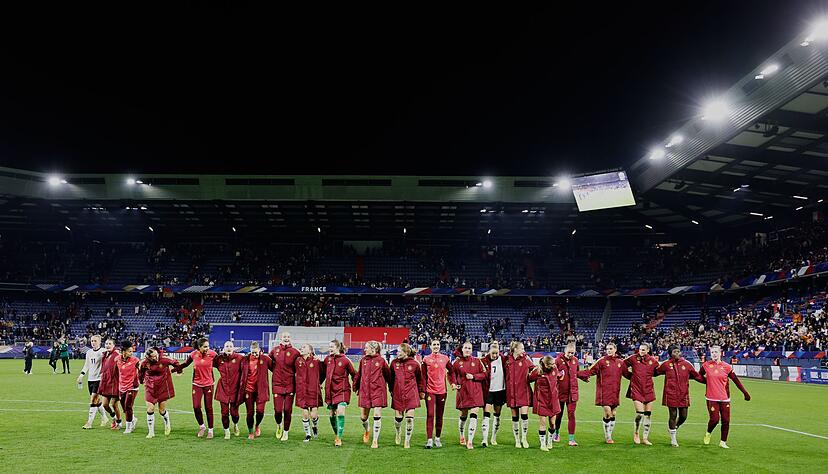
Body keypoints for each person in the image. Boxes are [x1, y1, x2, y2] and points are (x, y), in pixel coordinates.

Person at [700, 345, 751, 449]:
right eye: (712, 352)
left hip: (724, 398)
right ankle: (708, 433)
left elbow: (736, 381)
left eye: (716, 352)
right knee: (714, 419)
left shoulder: (727, 367)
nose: (714, 354)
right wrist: (707, 382)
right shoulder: (706, 365)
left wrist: (745, 393)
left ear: (720, 353)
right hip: (711, 397)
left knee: (726, 420)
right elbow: (698, 376)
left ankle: (723, 442)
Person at [578, 342, 627, 444]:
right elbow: (590, 371)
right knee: (608, 413)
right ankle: (608, 436)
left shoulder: (620, 362)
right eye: (607, 349)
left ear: (615, 349)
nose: (608, 350)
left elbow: (627, 374)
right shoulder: (601, 361)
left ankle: (610, 434)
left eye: (610, 349)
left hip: (615, 391)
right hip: (604, 392)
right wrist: (577, 374)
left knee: (613, 413)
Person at [656, 344, 705, 447]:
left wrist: (709, 382)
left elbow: (697, 376)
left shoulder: (687, 364)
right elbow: (656, 372)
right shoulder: (666, 364)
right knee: (672, 415)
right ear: (670, 354)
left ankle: (674, 427)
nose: (677, 353)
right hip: (670, 393)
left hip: (684, 394)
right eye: (675, 352)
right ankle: (673, 439)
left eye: (678, 351)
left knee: (683, 416)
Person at [177, 337, 219, 438]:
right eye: (205, 347)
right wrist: (175, 370)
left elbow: (220, 365)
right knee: (196, 407)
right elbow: (186, 364)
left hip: (209, 384)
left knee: (208, 407)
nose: (207, 348)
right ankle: (202, 427)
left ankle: (210, 430)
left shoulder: (213, 354)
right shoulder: (193, 354)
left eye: (208, 346)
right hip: (197, 384)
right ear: (199, 347)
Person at [354, 340, 391, 448]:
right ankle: (367, 430)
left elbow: (388, 375)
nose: (364, 349)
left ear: (373, 349)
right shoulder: (363, 361)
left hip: (378, 391)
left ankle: (375, 440)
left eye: (366, 347)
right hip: (365, 391)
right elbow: (359, 374)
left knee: (376, 414)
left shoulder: (381, 361)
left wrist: (392, 388)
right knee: (363, 417)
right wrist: (355, 386)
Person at [452, 341, 487, 450]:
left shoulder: (477, 361)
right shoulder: (457, 363)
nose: (467, 350)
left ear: (472, 350)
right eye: (465, 348)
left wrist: (474, 376)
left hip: (476, 392)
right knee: (464, 414)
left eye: (469, 348)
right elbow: (451, 374)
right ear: (462, 349)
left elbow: (485, 374)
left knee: (474, 413)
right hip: (463, 392)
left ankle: (470, 441)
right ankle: (462, 435)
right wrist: (454, 384)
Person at [138, 347, 180, 438]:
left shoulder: (164, 358)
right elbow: (140, 372)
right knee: (150, 409)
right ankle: (151, 432)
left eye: (156, 355)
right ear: (148, 357)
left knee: (162, 411)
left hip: (163, 386)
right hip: (150, 387)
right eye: (152, 357)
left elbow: (175, 362)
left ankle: (167, 423)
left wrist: (178, 370)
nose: (155, 358)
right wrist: (141, 381)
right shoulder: (144, 363)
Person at [389, 342, 424, 448]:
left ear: (406, 352)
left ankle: (407, 441)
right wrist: (391, 390)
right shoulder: (394, 363)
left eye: (399, 351)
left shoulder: (415, 364)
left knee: (409, 418)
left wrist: (421, 391)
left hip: (411, 394)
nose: (397, 353)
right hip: (398, 393)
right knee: (398, 418)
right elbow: (391, 379)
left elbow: (420, 379)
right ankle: (398, 432)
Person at [624, 342, 659, 445]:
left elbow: (658, 371)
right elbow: (622, 365)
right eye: (640, 349)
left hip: (648, 389)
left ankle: (645, 438)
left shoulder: (653, 361)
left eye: (643, 350)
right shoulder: (633, 358)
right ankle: (636, 433)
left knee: (648, 415)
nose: (641, 351)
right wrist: (629, 376)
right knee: (640, 413)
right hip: (636, 388)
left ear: (648, 350)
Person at [237, 342, 273, 440]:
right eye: (253, 353)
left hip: (261, 390)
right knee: (250, 412)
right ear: (250, 351)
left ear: (260, 350)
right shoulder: (245, 360)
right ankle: (250, 431)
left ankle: (257, 425)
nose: (254, 355)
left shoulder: (265, 359)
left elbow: (276, 369)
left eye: (256, 353)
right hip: (248, 390)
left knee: (260, 411)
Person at [324, 339, 357, 447]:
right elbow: (321, 372)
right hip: (330, 390)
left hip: (342, 390)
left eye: (332, 347)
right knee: (332, 414)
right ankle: (336, 434)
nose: (330, 349)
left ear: (338, 348)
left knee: (341, 412)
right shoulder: (327, 359)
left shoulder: (345, 360)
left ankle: (339, 438)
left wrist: (356, 386)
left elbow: (354, 374)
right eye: (329, 347)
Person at [422, 339, 453, 449]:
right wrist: (422, 390)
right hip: (430, 391)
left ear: (440, 346)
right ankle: (429, 440)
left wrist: (453, 382)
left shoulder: (445, 359)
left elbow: (452, 371)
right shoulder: (426, 359)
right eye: (434, 344)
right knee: (430, 415)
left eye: (437, 344)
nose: (436, 346)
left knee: (439, 416)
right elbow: (423, 376)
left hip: (442, 391)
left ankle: (437, 438)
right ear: (430, 347)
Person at [268, 332, 299, 441]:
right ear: (281, 338)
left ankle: (286, 432)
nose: (286, 338)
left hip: (290, 384)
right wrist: (276, 372)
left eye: (288, 337)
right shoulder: (275, 350)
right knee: (277, 410)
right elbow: (269, 363)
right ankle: (279, 425)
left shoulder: (295, 352)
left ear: (290, 339)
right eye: (284, 337)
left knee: (287, 410)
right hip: (277, 384)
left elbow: (299, 366)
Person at [528, 355, 563, 452]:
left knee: (552, 423)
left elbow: (559, 375)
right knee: (542, 422)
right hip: (541, 400)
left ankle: (550, 441)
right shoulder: (537, 371)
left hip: (553, 400)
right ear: (545, 364)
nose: (553, 365)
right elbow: (528, 379)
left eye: (554, 363)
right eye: (551, 364)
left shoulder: (555, 368)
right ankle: (543, 444)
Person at [505, 341, 533, 449]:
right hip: (511, 392)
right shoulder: (507, 360)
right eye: (521, 348)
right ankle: (517, 439)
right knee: (515, 417)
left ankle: (524, 438)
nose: (523, 350)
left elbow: (534, 370)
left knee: (524, 415)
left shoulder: (526, 359)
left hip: (524, 391)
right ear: (515, 349)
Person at [214, 341, 244, 439]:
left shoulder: (239, 358)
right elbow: (208, 362)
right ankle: (226, 431)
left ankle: (235, 424)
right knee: (224, 412)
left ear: (234, 347)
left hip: (235, 390)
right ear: (223, 348)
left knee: (234, 413)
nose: (229, 348)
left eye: (230, 346)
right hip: (223, 389)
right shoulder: (219, 359)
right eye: (227, 346)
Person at [295, 343, 325, 442]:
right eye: (301, 347)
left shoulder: (316, 361)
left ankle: (315, 426)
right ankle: (307, 434)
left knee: (313, 415)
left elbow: (323, 373)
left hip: (313, 390)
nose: (301, 349)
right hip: (301, 389)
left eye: (304, 347)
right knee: (304, 413)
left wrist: (319, 383)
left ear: (310, 351)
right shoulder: (297, 360)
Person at [77, 335, 108, 429]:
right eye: (92, 341)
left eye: (95, 341)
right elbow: (86, 365)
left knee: (93, 400)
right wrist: (81, 376)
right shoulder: (89, 352)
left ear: (99, 342)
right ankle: (106, 417)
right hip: (90, 379)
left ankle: (89, 423)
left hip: (99, 379)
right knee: (97, 401)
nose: (93, 342)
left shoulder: (103, 351)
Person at [553, 342, 581, 446]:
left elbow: (576, 373)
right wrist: (558, 375)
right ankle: (556, 434)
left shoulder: (575, 361)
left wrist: (584, 377)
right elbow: (553, 374)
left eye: (572, 353)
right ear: (565, 351)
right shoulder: (558, 360)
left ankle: (571, 439)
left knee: (571, 415)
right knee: (558, 415)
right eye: (569, 352)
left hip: (572, 393)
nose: (570, 354)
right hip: (560, 392)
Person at [479, 341, 505, 447]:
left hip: (500, 391)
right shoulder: (483, 361)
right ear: (489, 351)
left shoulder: (503, 359)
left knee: (497, 415)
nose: (495, 355)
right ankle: (484, 439)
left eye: (496, 353)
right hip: (488, 391)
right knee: (486, 415)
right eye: (493, 353)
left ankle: (493, 437)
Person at [115, 340, 141, 434]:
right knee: (124, 408)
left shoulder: (135, 360)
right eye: (130, 351)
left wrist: (143, 378)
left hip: (132, 386)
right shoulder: (117, 359)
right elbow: (115, 372)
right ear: (124, 351)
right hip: (121, 387)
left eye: (132, 351)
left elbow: (142, 369)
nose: (132, 353)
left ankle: (128, 427)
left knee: (128, 406)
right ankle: (133, 419)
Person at [98, 338, 122, 429]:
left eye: (110, 343)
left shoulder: (116, 355)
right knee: (104, 404)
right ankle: (114, 417)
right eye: (106, 343)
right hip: (106, 382)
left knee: (114, 405)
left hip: (115, 383)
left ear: (113, 345)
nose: (107, 345)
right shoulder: (105, 355)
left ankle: (119, 422)